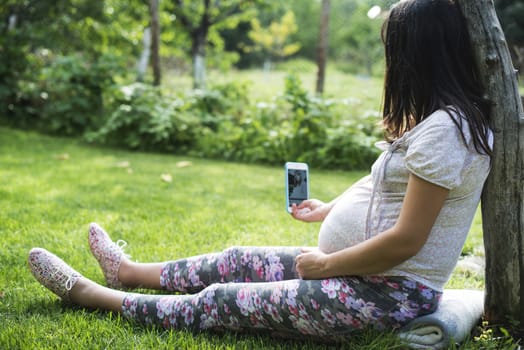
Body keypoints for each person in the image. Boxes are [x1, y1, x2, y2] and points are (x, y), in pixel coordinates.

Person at [28, 0, 493, 343]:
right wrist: (330, 209)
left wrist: (327, 264)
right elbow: (389, 187)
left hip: (386, 295)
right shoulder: (441, 123)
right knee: (237, 259)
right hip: (364, 276)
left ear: (416, 58)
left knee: (222, 300)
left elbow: (407, 241)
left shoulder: (446, 132)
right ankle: (127, 272)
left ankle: (92, 296)